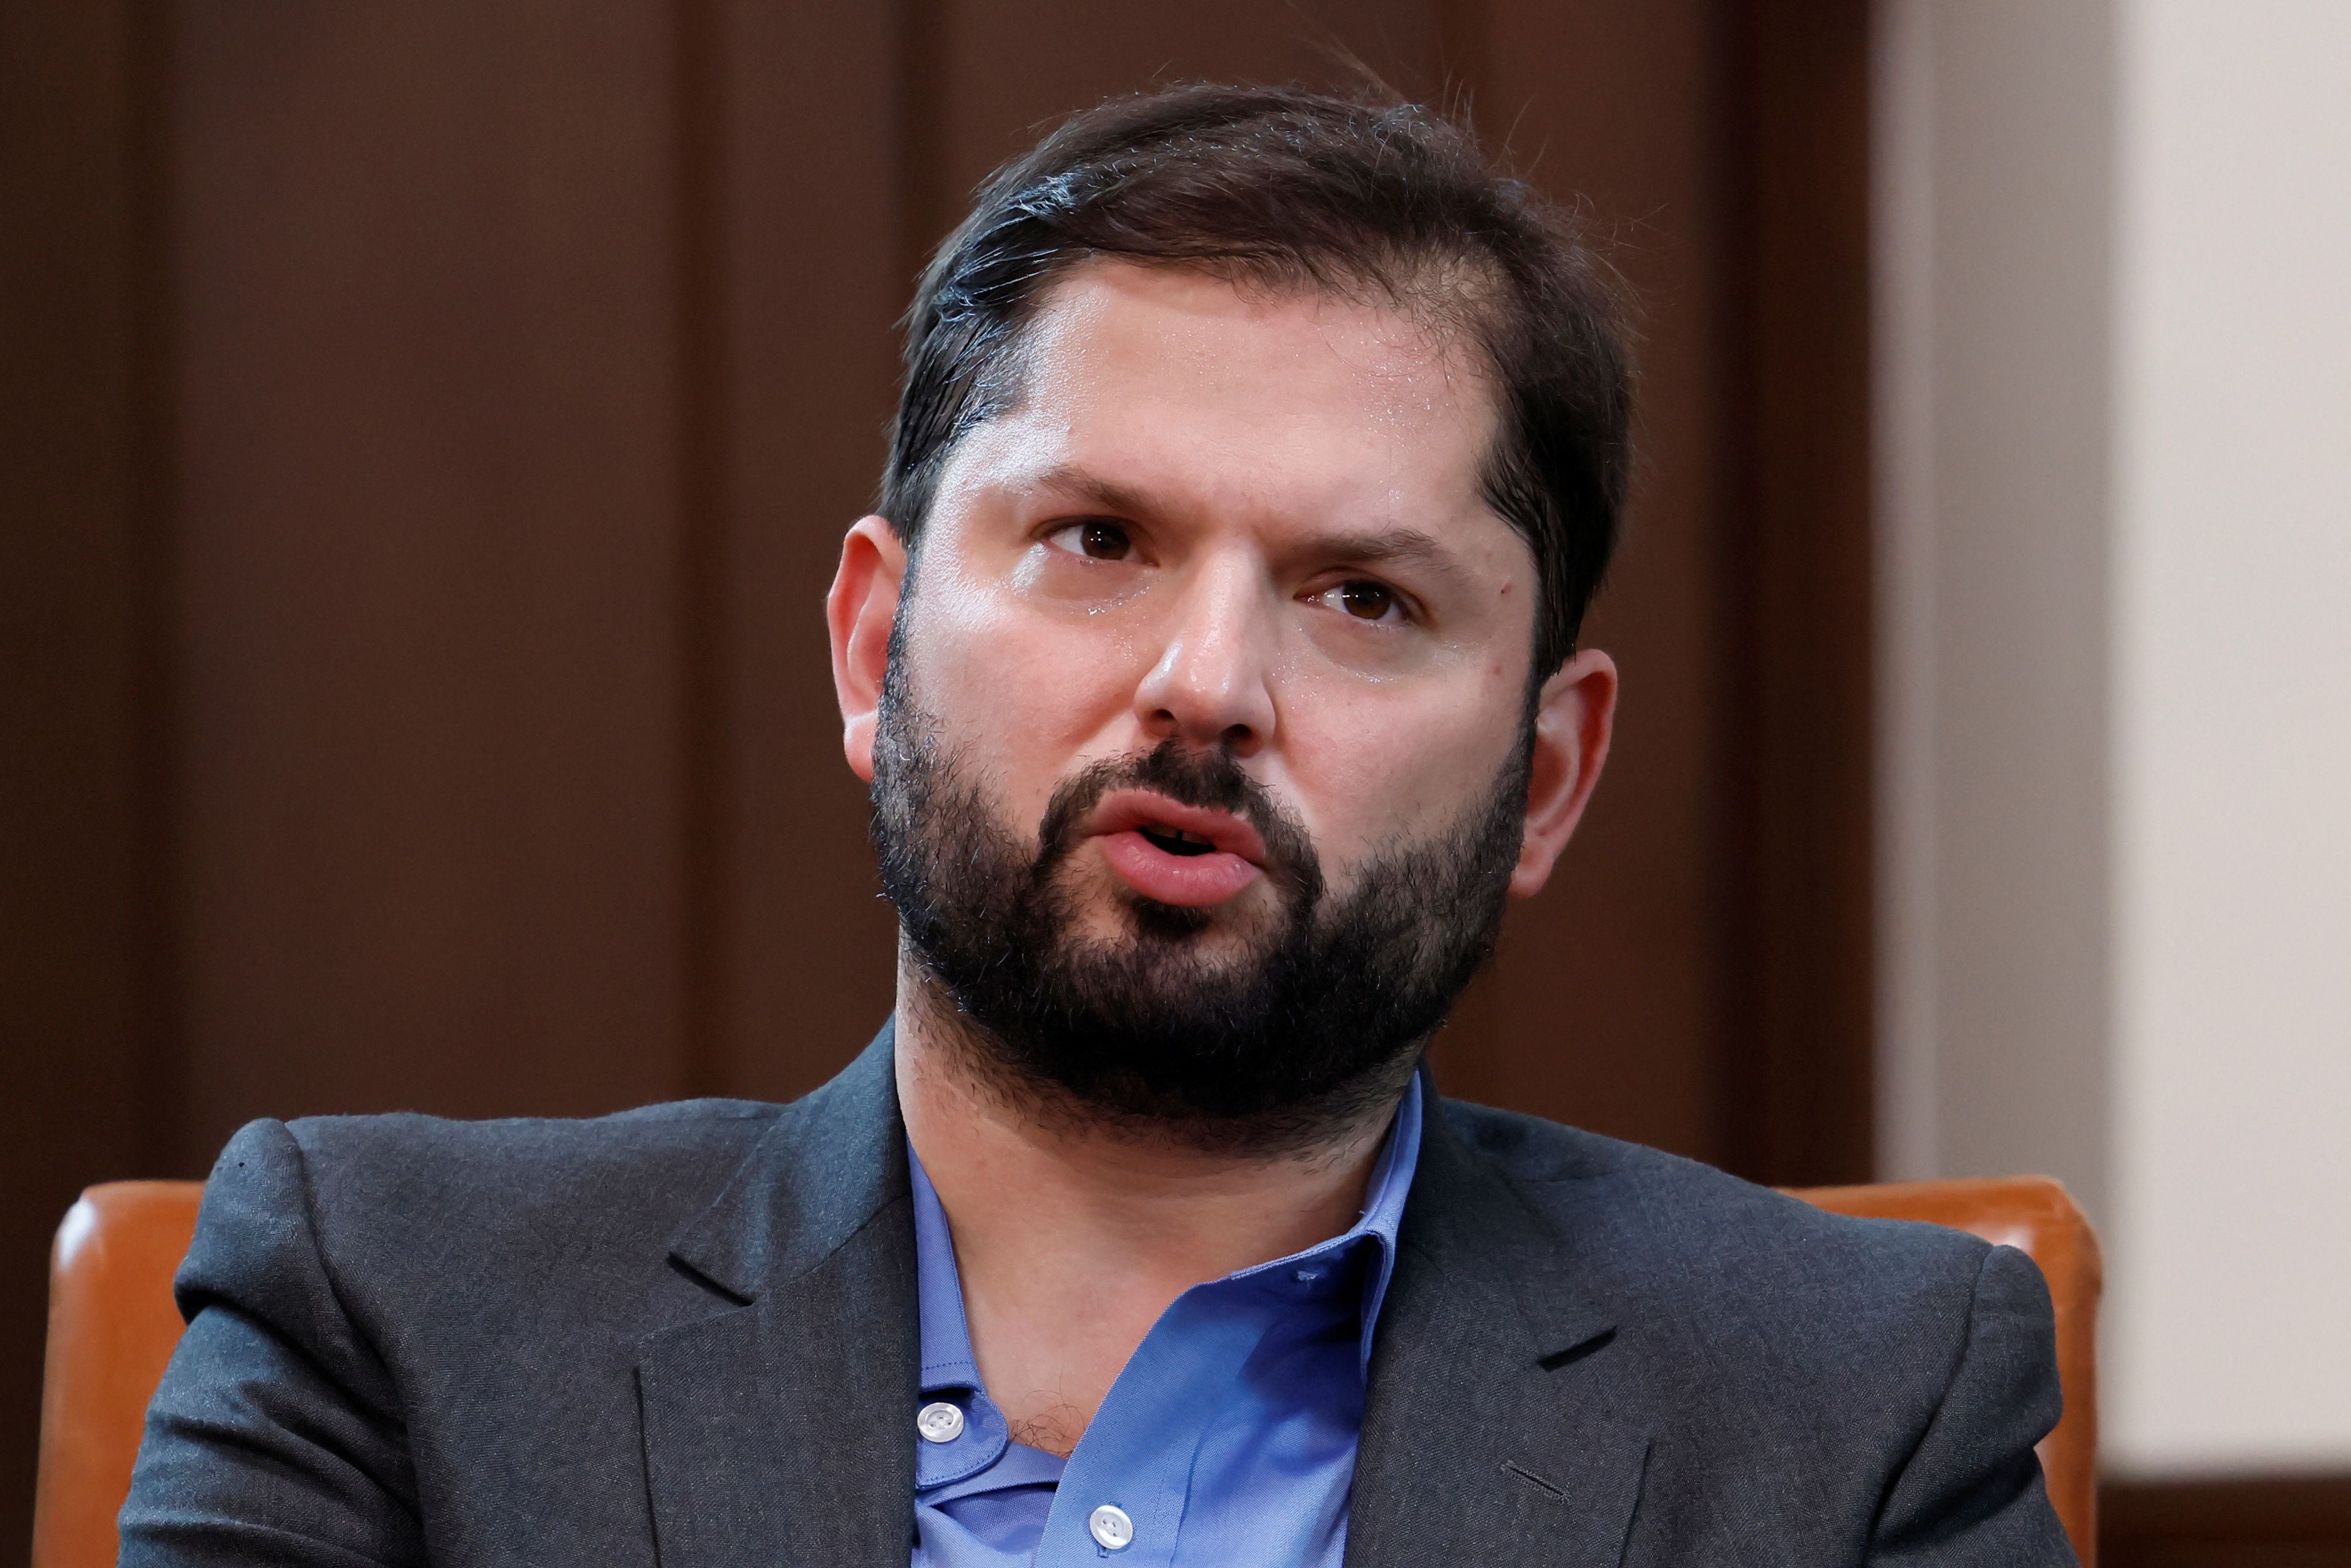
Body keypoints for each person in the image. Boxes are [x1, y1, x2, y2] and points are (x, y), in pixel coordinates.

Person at [121, 84, 2074, 1567]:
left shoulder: (1863, 1406)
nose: (1206, 680)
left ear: (1545, 775)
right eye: (1097, 542)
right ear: (875, 647)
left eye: (1363, 598)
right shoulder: (388, 1307)